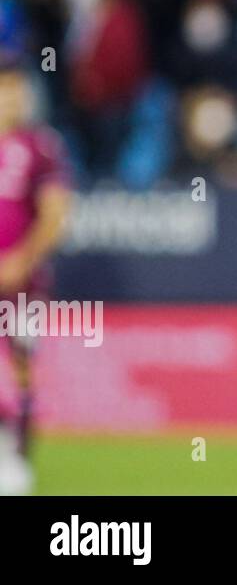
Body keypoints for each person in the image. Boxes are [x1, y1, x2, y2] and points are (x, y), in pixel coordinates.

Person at [0, 57, 73, 495]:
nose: (12, 98)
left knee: (21, 365)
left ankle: (17, 457)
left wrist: (19, 262)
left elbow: (55, 213)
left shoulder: (39, 146)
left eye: (17, 88)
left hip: (22, 285)